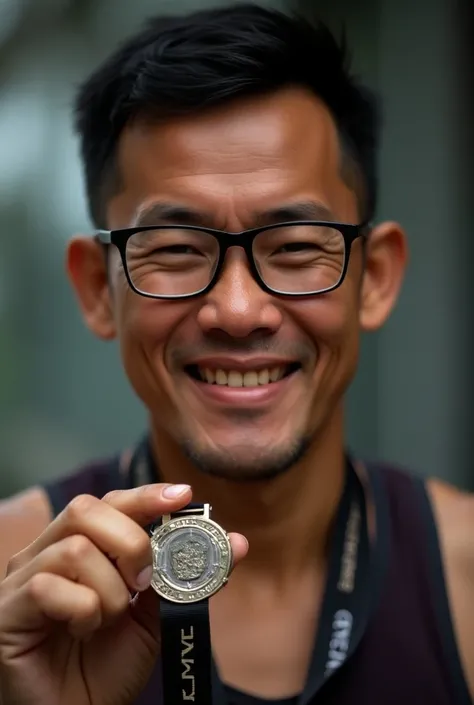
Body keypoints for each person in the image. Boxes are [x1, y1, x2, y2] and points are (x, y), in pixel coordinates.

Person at [0, 4, 473, 705]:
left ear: (374, 277)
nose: (239, 311)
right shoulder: (16, 602)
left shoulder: (465, 579)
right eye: (177, 250)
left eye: (295, 246)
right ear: (99, 287)